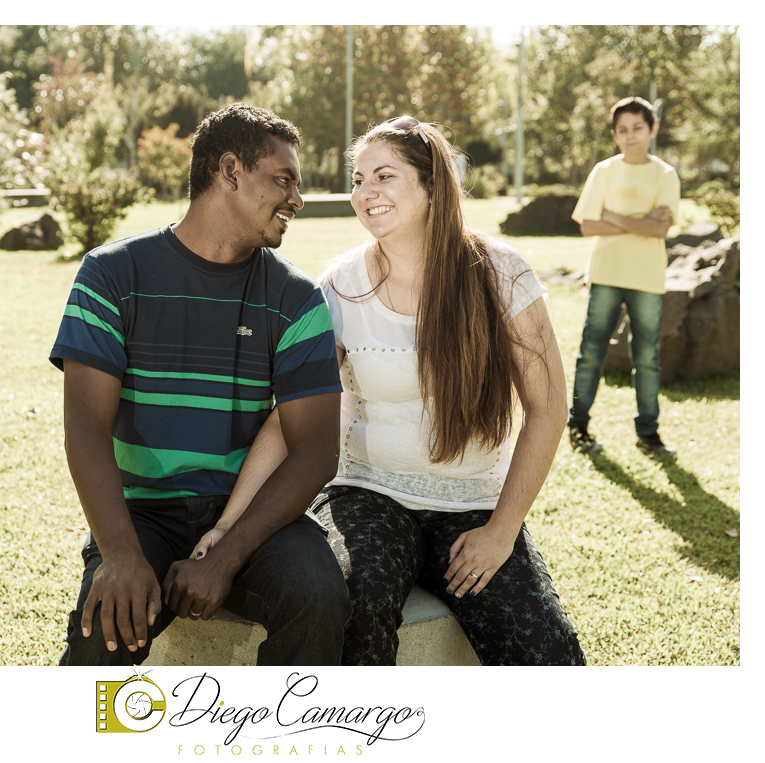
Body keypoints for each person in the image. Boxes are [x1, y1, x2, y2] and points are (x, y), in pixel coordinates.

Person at [196, 116, 586, 666]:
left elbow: (547, 408)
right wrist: (226, 525)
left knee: (542, 648)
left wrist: (501, 532)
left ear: (432, 185)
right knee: (361, 599)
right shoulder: (339, 287)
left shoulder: (502, 273)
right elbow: (292, 420)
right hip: (367, 494)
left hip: (473, 502)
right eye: (357, 180)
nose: (365, 193)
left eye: (384, 176)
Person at [49, 103, 349, 666]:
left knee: (318, 593)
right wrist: (119, 555)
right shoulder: (112, 274)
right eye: (283, 180)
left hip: (252, 514)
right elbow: (85, 427)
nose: (297, 199)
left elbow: (316, 453)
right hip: (141, 514)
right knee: (103, 627)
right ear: (230, 171)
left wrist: (225, 555)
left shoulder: (297, 299)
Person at [567, 96, 680, 456]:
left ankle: (648, 432)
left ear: (652, 130)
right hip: (606, 274)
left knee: (646, 357)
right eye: (623, 131)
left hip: (647, 278)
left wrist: (612, 216)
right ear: (615, 135)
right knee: (591, 353)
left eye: (638, 129)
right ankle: (578, 426)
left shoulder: (665, 174)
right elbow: (587, 225)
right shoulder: (603, 171)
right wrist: (642, 222)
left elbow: (661, 230)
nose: (631, 136)